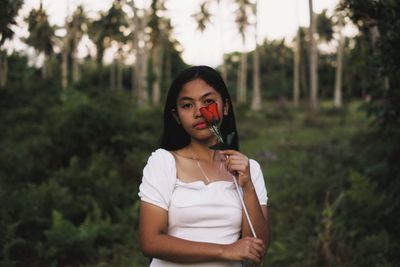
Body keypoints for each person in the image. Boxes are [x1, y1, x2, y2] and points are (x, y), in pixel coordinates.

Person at [138, 65, 270, 266]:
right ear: (176, 117)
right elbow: (150, 242)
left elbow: (258, 248)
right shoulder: (164, 162)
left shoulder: (249, 169)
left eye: (208, 102)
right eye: (187, 105)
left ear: (225, 107)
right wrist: (224, 251)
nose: (200, 112)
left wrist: (248, 187)